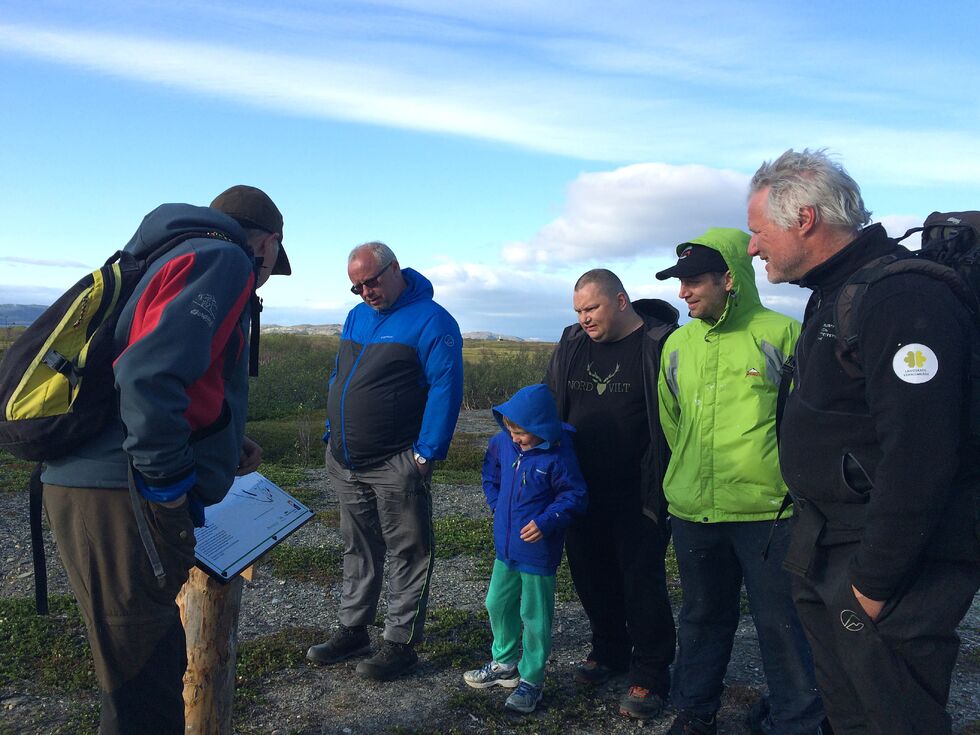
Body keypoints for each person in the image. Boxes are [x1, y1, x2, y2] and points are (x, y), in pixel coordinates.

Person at [41, 185, 289, 734]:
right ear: (268, 243)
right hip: (122, 494)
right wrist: (169, 488)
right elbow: (149, 375)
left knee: (137, 674)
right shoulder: (223, 258)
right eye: (273, 262)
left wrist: (220, 445)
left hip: (98, 485)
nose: (267, 274)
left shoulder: (168, 252)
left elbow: (165, 375)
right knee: (144, 691)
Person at [747, 148, 980, 734]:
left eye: (758, 231)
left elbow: (921, 455)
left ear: (804, 218)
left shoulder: (901, 298)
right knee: (849, 717)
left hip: (887, 564)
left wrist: (873, 584)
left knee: (894, 720)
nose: (752, 246)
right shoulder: (834, 293)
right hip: (829, 545)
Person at [654, 229, 825, 735]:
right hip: (693, 512)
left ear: (729, 279)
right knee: (702, 617)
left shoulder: (782, 334)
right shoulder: (677, 343)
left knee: (783, 624)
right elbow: (672, 421)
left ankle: (797, 721)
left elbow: (809, 423)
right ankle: (694, 714)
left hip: (770, 514)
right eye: (679, 282)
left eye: (693, 282)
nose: (682, 292)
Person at [308, 241, 464, 681]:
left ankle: (399, 644)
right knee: (357, 547)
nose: (365, 292)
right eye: (356, 286)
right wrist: (330, 430)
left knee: (408, 550)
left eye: (371, 281)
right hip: (346, 459)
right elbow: (340, 374)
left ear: (394, 269)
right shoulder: (358, 316)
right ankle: (354, 630)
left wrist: (426, 453)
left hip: (396, 460)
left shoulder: (433, 321)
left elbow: (445, 388)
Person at [544, 269, 678, 720]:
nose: (584, 318)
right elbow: (550, 400)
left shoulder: (660, 343)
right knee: (589, 573)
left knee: (641, 582)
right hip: (579, 486)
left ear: (620, 301)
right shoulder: (572, 342)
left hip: (639, 489)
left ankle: (652, 672)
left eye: (591, 308)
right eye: (578, 310)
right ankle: (608, 650)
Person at [463, 383, 588, 713]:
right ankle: (504, 664)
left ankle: (532, 680)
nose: (515, 438)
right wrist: (495, 503)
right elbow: (491, 472)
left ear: (541, 428)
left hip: (538, 552)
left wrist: (547, 522)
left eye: (522, 433)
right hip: (505, 547)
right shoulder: (502, 443)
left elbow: (574, 496)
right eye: (511, 430)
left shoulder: (558, 455)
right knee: (497, 602)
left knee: (535, 616)